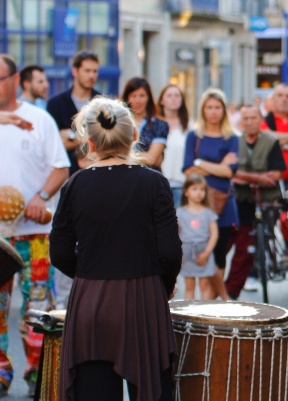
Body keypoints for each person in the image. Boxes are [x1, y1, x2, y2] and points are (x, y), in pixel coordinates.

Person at [50, 96, 180, 401]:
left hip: (90, 302)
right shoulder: (154, 182)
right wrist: (163, 286)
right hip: (144, 298)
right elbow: (169, 251)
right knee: (151, 391)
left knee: (93, 392)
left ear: (90, 143)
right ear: (134, 135)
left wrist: (91, 275)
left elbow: (60, 252)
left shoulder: (75, 184)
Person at [0, 54, 70, 397]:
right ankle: (1, 371)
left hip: (35, 234)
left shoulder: (39, 119)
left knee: (38, 306)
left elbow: (61, 167)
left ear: (16, 80)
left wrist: (42, 197)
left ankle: (37, 372)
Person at [225, 105, 286, 298]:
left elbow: (276, 175)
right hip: (239, 200)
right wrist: (258, 178)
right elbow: (230, 173)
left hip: (264, 200)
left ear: (261, 120)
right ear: (241, 121)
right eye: (246, 118)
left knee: (246, 250)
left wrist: (243, 177)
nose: (250, 122)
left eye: (253, 117)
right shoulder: (234, 141)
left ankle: (231, 292)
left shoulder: (271, 142)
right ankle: (218, 288)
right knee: (226, 243)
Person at [183, 88, 238, 301]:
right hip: (198, 203)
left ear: (223, 110)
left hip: (223, 202)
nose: (213, 112)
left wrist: (200, 163)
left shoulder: (231, 137)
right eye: (209, 107)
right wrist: (218, 166)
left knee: (219, 254)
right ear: (202, 110)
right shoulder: (194, 136)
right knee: (197, 251)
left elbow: (228, 172)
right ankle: (208, 303)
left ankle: (212, 303)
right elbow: (188, 170)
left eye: (217, 107)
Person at [47, 51, 101, 177]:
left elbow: (105, 142)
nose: (91, 75)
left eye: (95, 71)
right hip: (64, 176)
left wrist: (71, 136)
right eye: (87, 71)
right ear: (75, 71)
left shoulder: (103, 103)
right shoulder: (56, 104)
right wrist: (92, 136)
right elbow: (54, 145)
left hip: (97, 174)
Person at [177, 175, 219, 300]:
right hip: (186, 254)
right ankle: (188, 309)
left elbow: (214, 234)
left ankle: (203, 310)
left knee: (204, 284)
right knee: (189, 285)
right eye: (194, 189)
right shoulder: (179, 213)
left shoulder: (208, 213)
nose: (199, 192)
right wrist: (178, 253)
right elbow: (174, 234)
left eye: (201, 189)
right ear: (186, 192)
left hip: (204, 253)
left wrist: (207, 253)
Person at [157, 84, 193, 206]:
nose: (173, 99)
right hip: (159, 184)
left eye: (177, 96)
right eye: (169, 95)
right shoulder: (154, 125)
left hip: (182, 184)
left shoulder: (189, 126)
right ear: (162, 100)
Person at [122, 77, 169, 168]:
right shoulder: (120, 123)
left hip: (149, 175)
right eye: (133, 96)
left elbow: (151, 159)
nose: (137, 100)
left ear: (148, 97)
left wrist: (120, 158)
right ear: (127, 97)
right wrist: (144, 157)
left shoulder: (159, 125)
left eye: (142, 95)